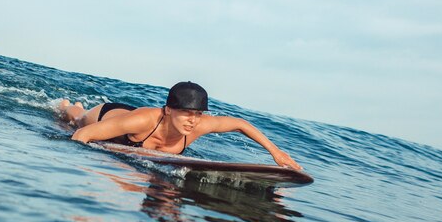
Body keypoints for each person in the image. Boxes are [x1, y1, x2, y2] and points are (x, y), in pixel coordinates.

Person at [59, 81, 302, 170]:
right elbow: (84, 134)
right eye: (186, 112)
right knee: (75, 119)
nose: (193, 119)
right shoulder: (144, 119)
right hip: (112, 117)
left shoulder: (199, 125)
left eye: (197, 114)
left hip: (135, 134)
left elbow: (240, 124)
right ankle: (67, 104)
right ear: (168, 110)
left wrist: (276, 152)